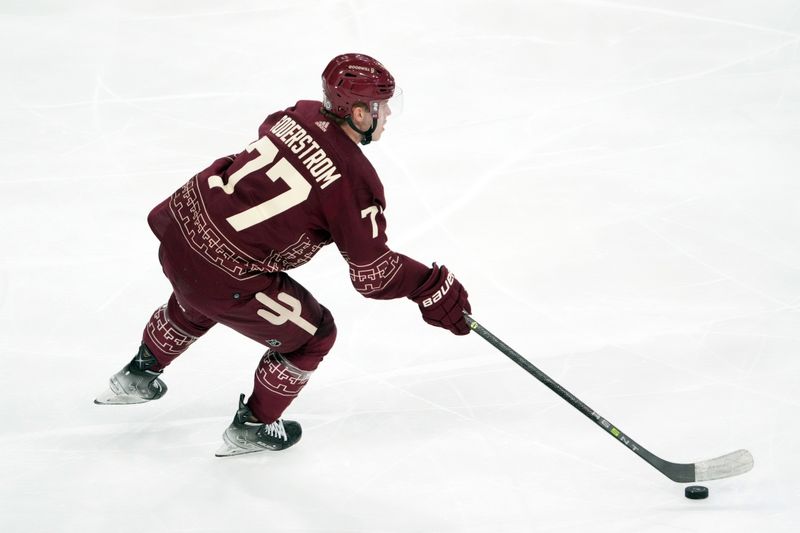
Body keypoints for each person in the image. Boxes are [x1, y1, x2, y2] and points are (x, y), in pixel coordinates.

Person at [94, 53, 472, 457]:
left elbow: (273, 137)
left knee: (200, 293)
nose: (389, 115)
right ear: (359, 114)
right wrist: (430, 286)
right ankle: (253, 426)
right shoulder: (355, 181)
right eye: (381, 107)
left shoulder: (299, 113)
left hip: (180, 232)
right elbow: (372, 275)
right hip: (224, 274)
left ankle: (138, 374)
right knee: (314, 336)